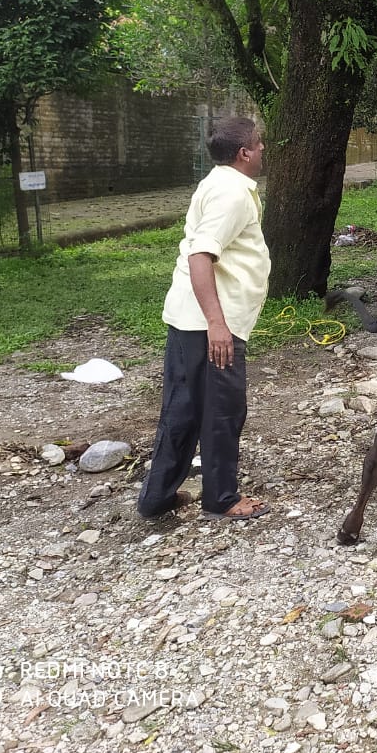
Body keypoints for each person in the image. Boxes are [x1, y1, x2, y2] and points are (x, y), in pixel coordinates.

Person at [138, 115, 272, 521]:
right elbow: (201, 256)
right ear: (244, 153)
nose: (263, 148)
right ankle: (222, 498)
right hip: (212, 324)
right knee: (223, 411)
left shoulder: (217, 182)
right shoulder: (231, 194)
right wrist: (218, 325)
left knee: (183, 409)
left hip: (188, 319)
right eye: (258, 143)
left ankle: (156, 498)